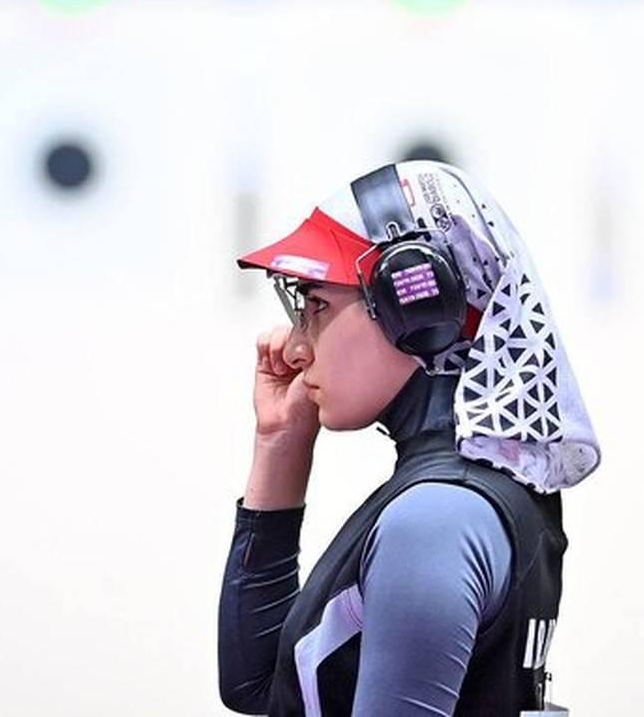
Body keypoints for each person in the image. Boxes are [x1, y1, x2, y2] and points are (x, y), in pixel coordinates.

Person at [218, 160, 601, 716]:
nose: (296, 348)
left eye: (317, 305)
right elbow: (257, 687)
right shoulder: (456, 495)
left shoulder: (436, 517)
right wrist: (281, 443)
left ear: (417, 308)